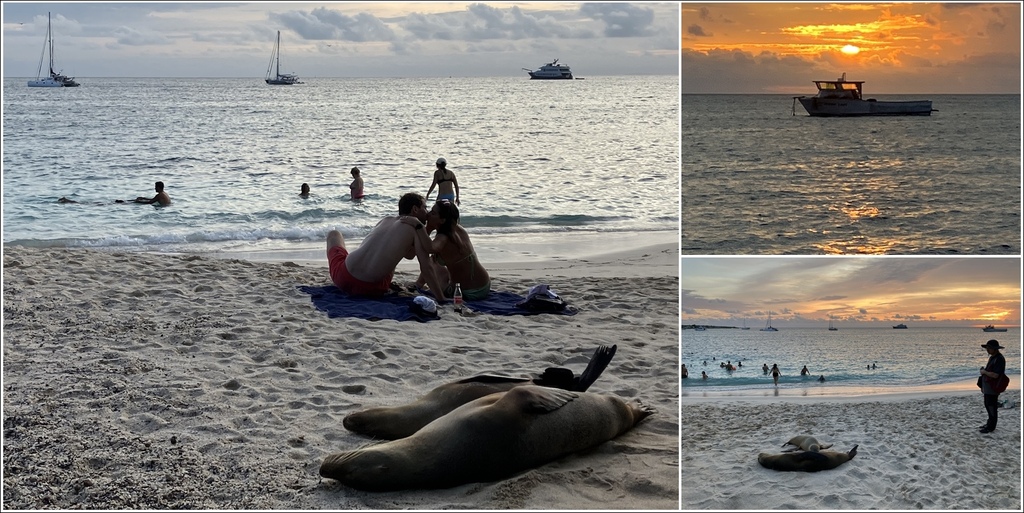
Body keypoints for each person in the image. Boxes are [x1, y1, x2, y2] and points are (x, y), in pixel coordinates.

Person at [326, 192, 445, 300]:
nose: (427, 212)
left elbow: (409, 254)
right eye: (425, 208)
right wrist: (440, 298)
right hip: (368, 288)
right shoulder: (415, 227)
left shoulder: (386, 220)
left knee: (334, 234)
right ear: (415, 209)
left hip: (343, 276)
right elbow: (426, 267)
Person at [415, 200, 490, 300]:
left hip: (466, 293)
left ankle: (418, 284)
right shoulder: (457, 229)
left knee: (431, 262)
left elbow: (429, 248)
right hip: (484, 284)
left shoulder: (443, 238)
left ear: (442, 220)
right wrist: (430, 227)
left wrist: (420, 227)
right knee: (434, 261)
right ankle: (419, 284)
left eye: (433, 213)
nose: (428, 214)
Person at [979, 339, 1007, 433]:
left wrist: (984, 372)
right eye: (987, 348)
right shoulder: (992, 357)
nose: (987, 350)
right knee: (987, 404)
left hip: (993, 386)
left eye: (989, 348)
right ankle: (989, 423)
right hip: (988, 386)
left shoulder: (999, 359)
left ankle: (991, 427)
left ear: (995, 349)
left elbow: (996, 375)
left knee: (991, 406)